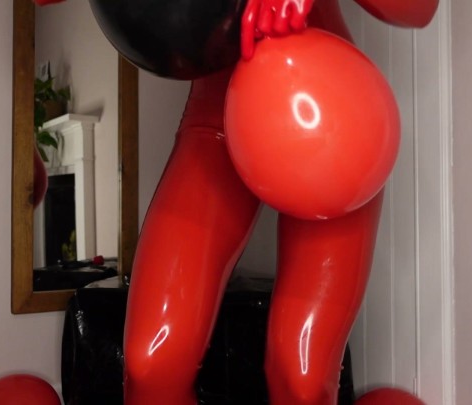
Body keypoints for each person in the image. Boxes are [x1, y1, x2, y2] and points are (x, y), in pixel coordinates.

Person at [118, 1, 440, 404]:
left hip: (328, 110)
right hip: (215, 118)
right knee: (151, 363)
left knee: (302, 379)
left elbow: (420, 9)